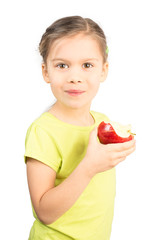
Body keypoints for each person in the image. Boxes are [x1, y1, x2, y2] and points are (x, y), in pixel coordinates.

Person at [24, 16, 136, 240]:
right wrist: (89, 167)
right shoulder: (43, 132)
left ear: (103, 70)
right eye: (62, 65)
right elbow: (44, 212)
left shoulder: (102, 123)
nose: (75, 77)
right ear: (46, 72)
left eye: (87, 65)